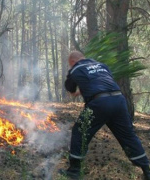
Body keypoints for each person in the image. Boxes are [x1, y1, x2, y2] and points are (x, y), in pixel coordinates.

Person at [61, 51, 150, 179]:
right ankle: (146, 169)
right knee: (128, 135)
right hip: (119, 100)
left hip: (99, 103)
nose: (71, 67)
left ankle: (74, 172)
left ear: (73, 62)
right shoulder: (102, 65)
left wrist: (74, 91)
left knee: (80, 132)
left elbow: (70, 87)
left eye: (70, 65)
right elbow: (102, 82)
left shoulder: (76, 68)